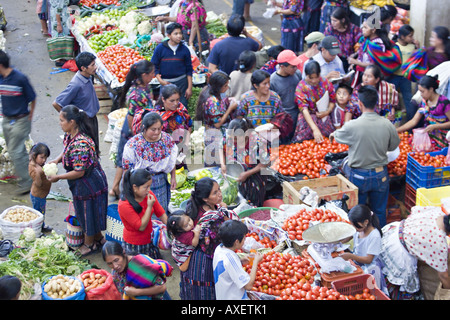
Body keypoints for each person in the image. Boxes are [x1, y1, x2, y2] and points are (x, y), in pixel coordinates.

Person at [330, 85, 400, 227]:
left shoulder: (352, 126)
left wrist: (333, 135)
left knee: (358, 213)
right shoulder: (387, 124)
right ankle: (380, 238)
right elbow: (393, 147)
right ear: (376, 104)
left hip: (359, 176)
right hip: (381, 175)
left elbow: (337, 136)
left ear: (360, 104)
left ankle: (358, 241)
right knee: (380, 211)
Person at [48, 105, 108, 256]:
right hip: (86, 180)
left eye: (62, 120)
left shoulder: (81, 144)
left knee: (87, 212)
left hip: (89, 182)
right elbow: (66, 149)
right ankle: (99, 238)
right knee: (90, 211)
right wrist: (56, 160)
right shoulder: (70, 135)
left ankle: (89, 244)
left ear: (72, 122)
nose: (60, 123)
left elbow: (79, 172)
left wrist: (58, 177)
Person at [179, 177, 239, 300]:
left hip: (203, 254)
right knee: (204, 293)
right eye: (215, 193)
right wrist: (225, 211)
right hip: (203, 259)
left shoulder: (203, 205)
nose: (220, 194)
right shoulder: (208, 218)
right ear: (205, 199)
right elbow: (224, 233)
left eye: (219, 190)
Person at [379, 206, 450, 300]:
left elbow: (414, 209)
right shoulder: (439, 244)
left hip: (393, 231)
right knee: (400, 285)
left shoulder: (435, 211)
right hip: (400, 252)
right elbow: (443, 276)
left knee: (383, 267)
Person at [109, 60, 155, 200]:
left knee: (123, 159)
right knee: (128, 161)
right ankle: (124, 192)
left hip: (141, 127)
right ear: (144, 75)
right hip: (132, 129)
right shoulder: (135, 94)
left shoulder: (146, 86)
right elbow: (130, 116)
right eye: (152, 73)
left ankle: (115, 188)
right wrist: (136, 136)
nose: (154, 75)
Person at [122, 112, 178, 212]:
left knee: (161, 210)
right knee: (143, 213)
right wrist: (128, 190)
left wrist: (173, 177)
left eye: (159, 129)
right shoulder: (133, 144)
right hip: (140, 183)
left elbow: (172, 160)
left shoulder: (167, 140)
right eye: (153, 129)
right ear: (144, 127)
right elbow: (127, 168)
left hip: (161, 181)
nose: (157, 132)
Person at [0, 50, 37, 196]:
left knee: (15, 151)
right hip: (7, 119)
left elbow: (32, 97)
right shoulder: (2, 78)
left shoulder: (20, 78)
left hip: (21, 119)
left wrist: (30, 116)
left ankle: (28, 181)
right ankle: (29, 173)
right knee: (15, 149)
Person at [52, 51, 100, 150]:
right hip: (84, 123)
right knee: (87, 151)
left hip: (92, 120)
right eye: (92, 65)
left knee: (94, 149)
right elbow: (56, 103)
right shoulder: (76, 84)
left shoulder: (88, 77)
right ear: (83, 68)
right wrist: (71, 121)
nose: (95, 67)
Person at [119, 168, 168, 259]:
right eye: (146, 187)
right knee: (139, 271)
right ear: (135, 188)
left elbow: (161, 213)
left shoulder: (148, 195)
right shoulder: (124, 205)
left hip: (150, 239)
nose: (149, 190)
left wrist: (171, 229)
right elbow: (141, 226)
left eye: (149, 186)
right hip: (134, 245)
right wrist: (149, 207)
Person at [102, 240, 173, 300]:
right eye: (110, 263)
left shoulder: (140, 264)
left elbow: (162, 287)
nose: (115, 266)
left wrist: (137, 292)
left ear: (123, 253)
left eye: (116, 260)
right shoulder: (115, 272)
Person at [223, 118, 270, 207]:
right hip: (235, 174)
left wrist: (247, 173)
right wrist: (223, 164)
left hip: (255, 180)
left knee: (252, 207)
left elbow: (265, 163)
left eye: (237, 139)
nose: (233, 141)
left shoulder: (259, 142)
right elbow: (221, 147)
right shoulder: (229, 136)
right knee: (235, 202)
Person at [339, 204, 386, 292]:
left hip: (369, 269)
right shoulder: (359, 229)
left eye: (355, 225)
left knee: (369, 291)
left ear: (366, 222)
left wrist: (351, 256)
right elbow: (347, 238)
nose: (353, 228)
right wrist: (336, 242)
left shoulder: (374, 236)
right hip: (357, 264)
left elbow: (368, 260)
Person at [213, 219, 263, 300]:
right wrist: (255, 262)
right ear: (236, 242)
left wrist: (241, 261)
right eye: (244, 238)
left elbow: (226, 267)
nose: (245, 240)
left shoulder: (219, 249)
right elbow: (248, 286)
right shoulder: (230, 258)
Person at [196, 71, 238, 166]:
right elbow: (217, 124)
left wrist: (228, 100)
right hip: (214, 136)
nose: (227, 88)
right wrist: (230, 109)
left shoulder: (215, 95)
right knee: (215, 162)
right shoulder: (212, 101)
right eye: (225, 86)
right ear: (218, 87)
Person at [396, 75, 450, 149]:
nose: (421, 94)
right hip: (429, 137)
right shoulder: (424, 102)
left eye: (422, 91)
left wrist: (436, 126)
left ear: (431, 89)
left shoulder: (444, 103)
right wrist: (396, 130)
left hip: (444, 140)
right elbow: (413, 121)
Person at [348, 19, 402, 86]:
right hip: (362, 73)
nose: (362, 29)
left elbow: (373, 65)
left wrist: (355, 62)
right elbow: (363, 53)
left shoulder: (376, 45)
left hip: (369, 77)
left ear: (373, 30)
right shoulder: (366, 39)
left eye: (365, 27)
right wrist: (355, 55)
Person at [151, 22, 193, 108]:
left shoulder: (185, 49)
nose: (179, 36)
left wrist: (189, 87)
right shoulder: (160, 49)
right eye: (176, 34)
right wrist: (161, 81)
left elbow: (189, 69)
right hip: (166, 83)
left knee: (182, 107)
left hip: (182, 83)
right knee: (165, 108)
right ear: (168, 35)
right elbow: (154, 66)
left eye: (180, 33)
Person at [293, 60, 336, 143]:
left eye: (316, 77)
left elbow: (332, 100)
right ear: (306, 75)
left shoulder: (325, 82)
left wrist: (327, 111)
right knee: (304, 143)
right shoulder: (301, 87)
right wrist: (314, 129)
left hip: (323, 114)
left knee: (327, 141)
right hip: (307, 117)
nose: (314, 80)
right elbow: (304, 109)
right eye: (311, 78)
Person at [152, 84, 193, 169]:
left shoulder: (181, 109)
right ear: (163, 99)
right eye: (172, 101)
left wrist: (186, 144)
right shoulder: (157, 116)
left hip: (180, 153)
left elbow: (189, 125)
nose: (175, 103)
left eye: (177, 99)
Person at [388, 24, 419, 121]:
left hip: (406, 77)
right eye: (410, 36)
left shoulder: (411, 46)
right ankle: (388, 119)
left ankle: (410, 122)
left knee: (408, 98)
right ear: (402, 36)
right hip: (394, 76)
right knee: (390, 98)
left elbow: (417, 58)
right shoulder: (394, 46)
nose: (412, 38)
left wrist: (417, 47)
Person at [270, 49, 303, 136]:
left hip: (298, 115)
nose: (295, 68)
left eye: (296, 66)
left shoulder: (297, 74)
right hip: (283, 120)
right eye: (292, 67)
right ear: (282, 67)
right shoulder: (272, 81)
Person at [324, 7, 361, 72]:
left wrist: (355, 55)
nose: (332, 23)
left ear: (343, 20)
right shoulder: (330, 30)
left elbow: (361, 44)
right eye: (331, 20)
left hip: (349, 59)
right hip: (334, 59)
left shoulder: (354, 29)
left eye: (335, 21)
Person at [28, 143, 53, 232]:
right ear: (35, 156)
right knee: (38, 214)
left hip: (42, 195)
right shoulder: (33, 168)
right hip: (37, 196)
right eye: (42, 157)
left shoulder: (39, 164)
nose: (44, 160)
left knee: (41, 212)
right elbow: (38, 183)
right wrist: (38, 172)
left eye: (45, 158)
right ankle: (37, 230)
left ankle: (41, 226)